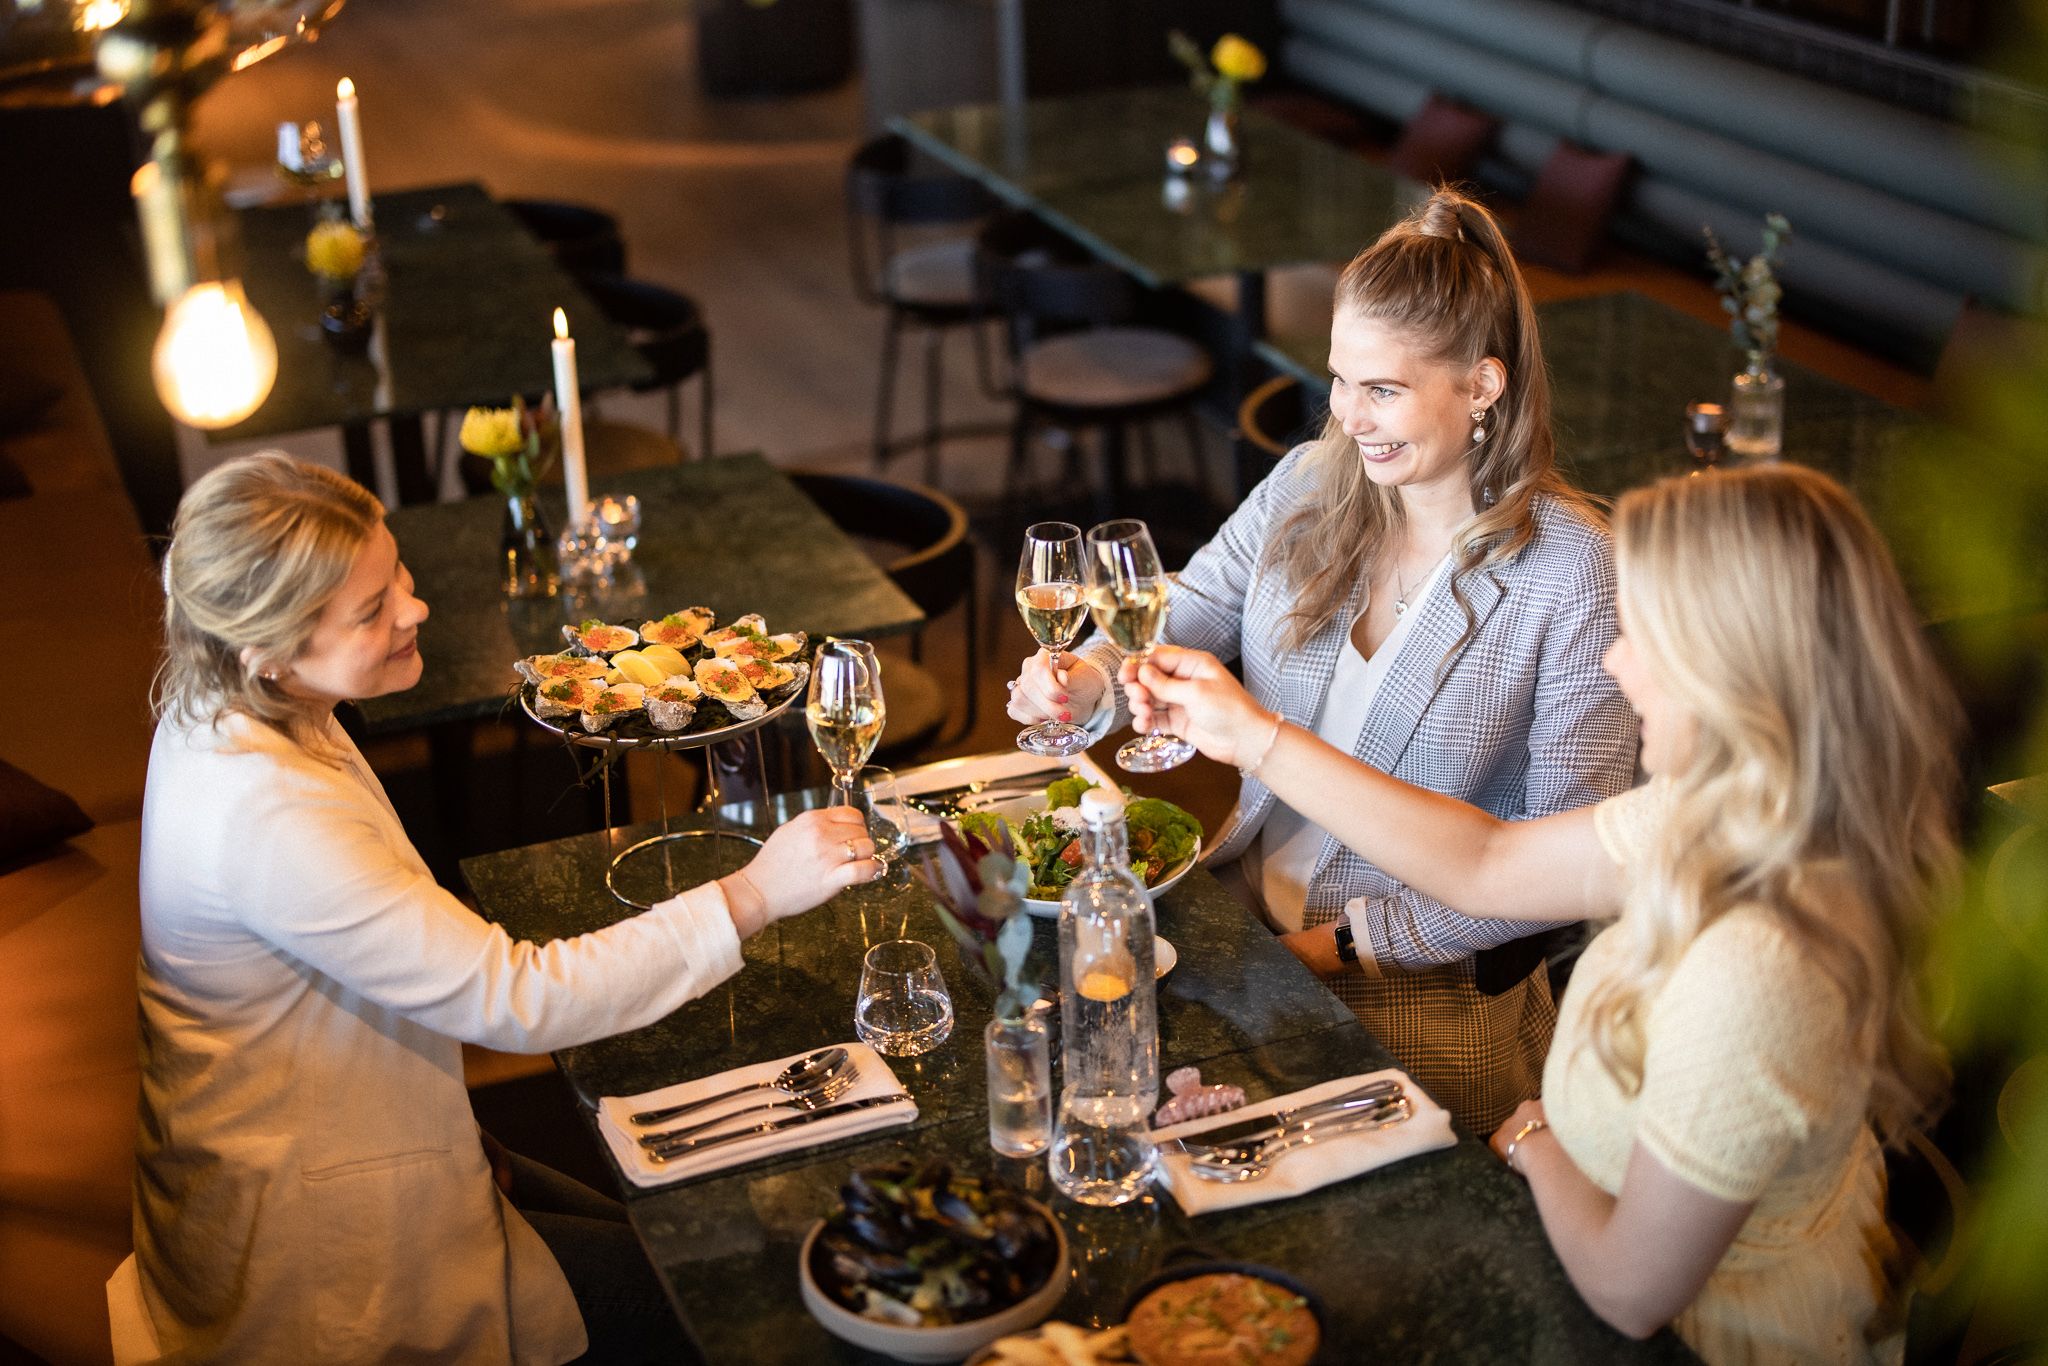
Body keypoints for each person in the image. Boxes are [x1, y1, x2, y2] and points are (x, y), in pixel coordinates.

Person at [1119, 464, 1957, 1362]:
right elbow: (1487, 862)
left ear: (1732, 671)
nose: (1614, 662)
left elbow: (1632, 1291)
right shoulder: (1731, 816)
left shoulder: (1753, 966)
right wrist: (1257, 738)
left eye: (1643, 634)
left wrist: (1528, 1136)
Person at [108, 452, 883, 1365]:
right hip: (317, 1245)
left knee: (677, 1229)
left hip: (378, 1137)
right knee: (731, 1303)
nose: (415, 607)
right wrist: (755, 891)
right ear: (266, 650)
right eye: (372, 610)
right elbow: (519, 998)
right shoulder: (266, 816)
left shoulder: (237, 703)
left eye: (396, 571)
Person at [1008, 187, 1638, 1132]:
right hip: (1242, 926)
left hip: (1425, 997)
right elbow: (1197, 601)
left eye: (1383, 389)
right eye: (1340, 381)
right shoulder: (1314, 482)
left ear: (1482, 386)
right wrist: (1092, 678)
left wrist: (1326, 951)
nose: (1349, 417)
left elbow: (1564, 863)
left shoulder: (1575, 572)